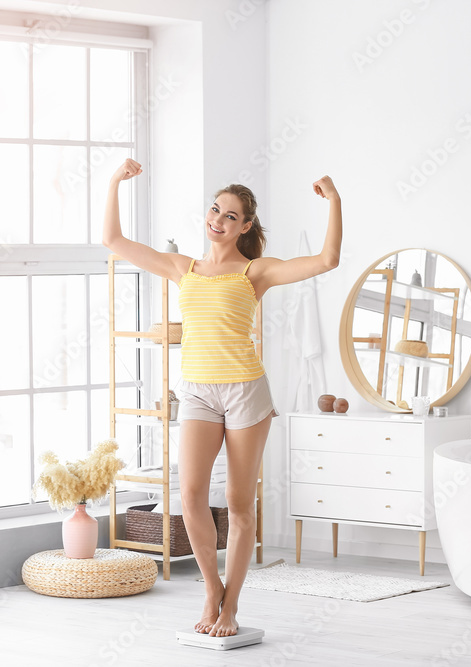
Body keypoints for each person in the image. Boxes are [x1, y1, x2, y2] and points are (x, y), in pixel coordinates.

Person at [102, 158, 342, 637]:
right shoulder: (182, 267)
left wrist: (334, 200)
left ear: (245, 226)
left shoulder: (256, 271)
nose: (218, 220)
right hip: (197, 392)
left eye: (231, 216)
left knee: (238, 503)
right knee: (190, 495)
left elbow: (326, 260)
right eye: (215, 210)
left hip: (246, 392)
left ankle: (231, 606)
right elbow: (113, 240)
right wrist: (114, 182)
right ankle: (212, 589)